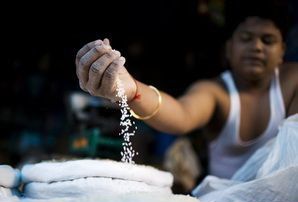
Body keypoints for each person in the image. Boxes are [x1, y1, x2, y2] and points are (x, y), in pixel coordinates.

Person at [75, 1, 298, 180]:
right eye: (246, 39)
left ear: (282, 51)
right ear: (229, 49)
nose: (257, 47)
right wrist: (132, 90)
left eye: (267, 40)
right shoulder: (216, 91)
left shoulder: (292, 80)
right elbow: (182, 114)